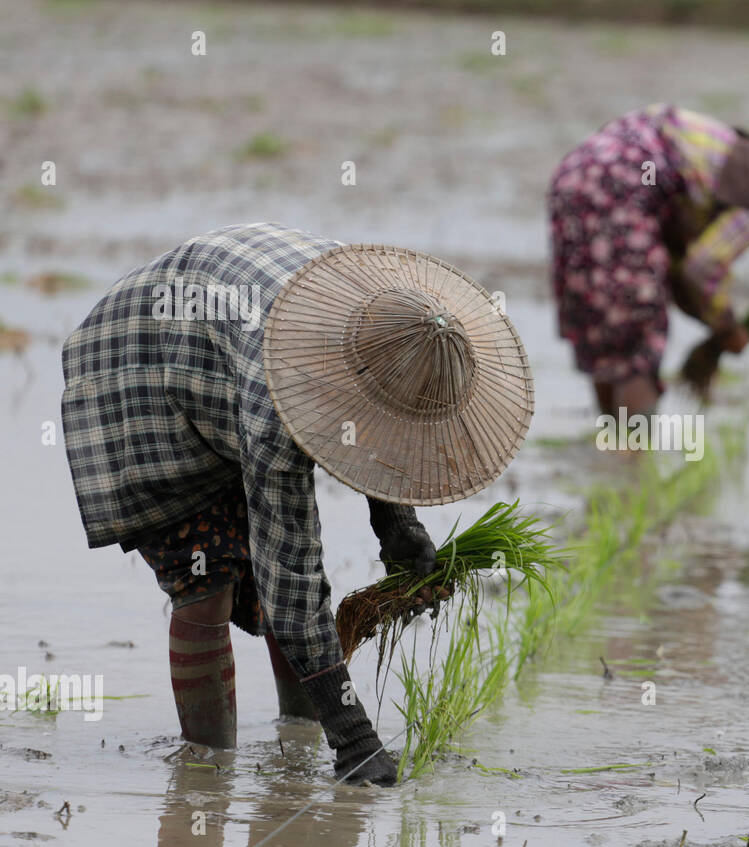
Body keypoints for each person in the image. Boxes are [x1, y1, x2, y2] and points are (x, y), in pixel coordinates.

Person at [60, 222, 534, 785]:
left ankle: (299, 734)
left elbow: (380, 424)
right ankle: (206, 775)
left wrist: (397, 525)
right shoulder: (275, 403)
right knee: (208, 575)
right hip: (143, 360)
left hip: (229, 328)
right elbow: (292, 578)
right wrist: (355, 737)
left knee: (279, 578)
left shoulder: (389, 316)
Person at [548, 104, 749, 413]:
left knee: (606, 327)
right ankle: (632, 462)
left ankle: (611, 449)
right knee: (637, 343)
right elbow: (703, 268)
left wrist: (712, 331)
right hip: (625, 186)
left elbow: (678, 269)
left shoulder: (743, 157)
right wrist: (728, 328)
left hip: (575, 175)